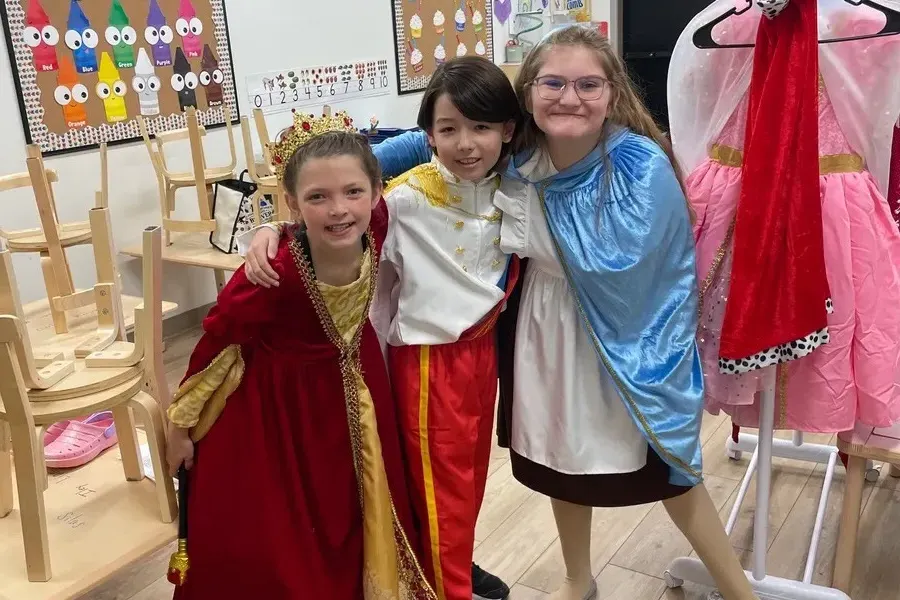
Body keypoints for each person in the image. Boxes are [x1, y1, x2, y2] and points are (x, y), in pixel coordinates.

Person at [266, 25, 760, 600]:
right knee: (560, 457)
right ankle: (578, 580)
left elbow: (635, 270)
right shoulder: (519, 148)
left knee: (670, 469)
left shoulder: (637, 165)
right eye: (552, 83)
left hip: (623, 344)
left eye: (587, 84)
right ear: (527, 94)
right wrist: (312, 201)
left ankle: (737, 591)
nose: (569, 97)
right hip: (540, 333)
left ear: (612, 90)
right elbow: (416, 142)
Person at [239, 57, 521, 600]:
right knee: (441, 490)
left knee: (464, 482)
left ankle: (452, 563)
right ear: (427, 135)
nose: (466, 144)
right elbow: (335, 220)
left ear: (507, 130)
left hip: (483, 356)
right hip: (427, 362)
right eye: (448, 129)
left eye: (482, 127)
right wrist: (275, 228)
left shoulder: (514, 187)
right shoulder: (405, 202)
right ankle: (446, 585)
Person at [164, 122, 435, 600]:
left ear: (377, 192)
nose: (338, 209)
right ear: (292, 202)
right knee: (296, 521)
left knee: (360, 505)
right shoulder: (274, 272)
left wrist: (271, 224)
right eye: (317, 197)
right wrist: (179, 426)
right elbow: (216, 342)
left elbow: (421, 141)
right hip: (286, 409)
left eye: (353, 191)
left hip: (358, 384)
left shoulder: (375, 222)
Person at [669, 0, 900, 434]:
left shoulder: (867, 26)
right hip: (739, 199)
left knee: (834, 332)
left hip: (830, 208)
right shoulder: (733, 24)